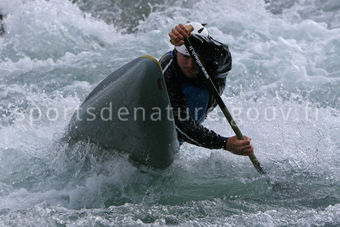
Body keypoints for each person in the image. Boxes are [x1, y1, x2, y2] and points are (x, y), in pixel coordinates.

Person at [159, 22, 254, 156]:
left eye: (196, 58)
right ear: (176, 52)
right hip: (170, 120)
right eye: (186, 57)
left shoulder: (216, 64)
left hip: (188, 125)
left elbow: (223, 54)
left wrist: (191, 39)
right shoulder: (167, 70)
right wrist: (224, 143)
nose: (190, 64)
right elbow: (179, 122)